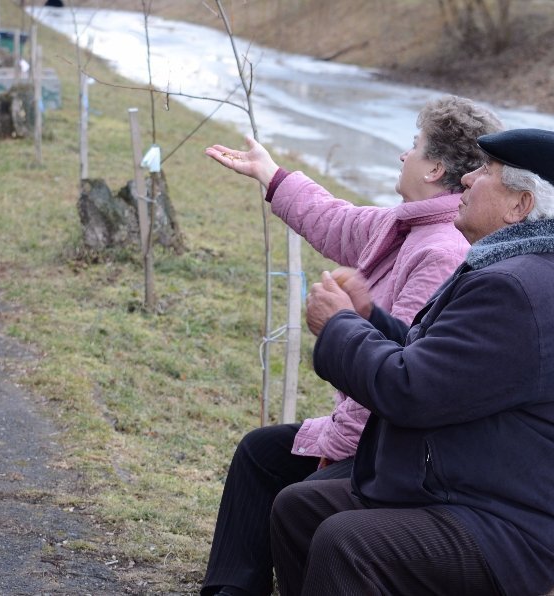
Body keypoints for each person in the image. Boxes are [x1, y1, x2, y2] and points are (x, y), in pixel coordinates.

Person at [271, 128, 554, 595]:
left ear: (520, 206)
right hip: (466, 492)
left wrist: (339, 326)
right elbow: (437, 364)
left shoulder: (516, 287)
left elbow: (411, 392)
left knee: (347, 541)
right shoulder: (517, 268)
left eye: (486, 171)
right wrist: (367, 319)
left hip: (510, 528)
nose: (467, 178)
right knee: (300, 509)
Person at [200, 96, 504, 596]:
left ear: (435, 169)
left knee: (302, 499)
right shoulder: (404, 224)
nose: (403, 155)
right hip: (370, 432)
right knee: (260, 452)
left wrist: (333, 448)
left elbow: (393, 374)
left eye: (414, 145)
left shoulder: (442, 251)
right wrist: (270, 174)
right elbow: (335, 220)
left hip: (396, 448)